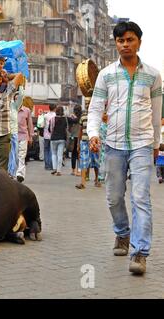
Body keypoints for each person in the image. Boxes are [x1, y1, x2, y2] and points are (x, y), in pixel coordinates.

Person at [87, 21, 162, 275]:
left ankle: (140, 252)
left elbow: (156, 112)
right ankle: (122, 232)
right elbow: (96, 107)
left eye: (130, 40)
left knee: (141, 198)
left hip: (142, 144)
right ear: (116, 43)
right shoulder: (106, 74)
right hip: (114, 145)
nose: (125, 45)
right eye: (120, 41)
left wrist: (155, 144)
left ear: (139, 41)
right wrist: (94, 133)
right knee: (114, 197)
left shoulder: (153, 75)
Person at [75, 107, 100, 189]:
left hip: (94, 141)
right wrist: (78, 143)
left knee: (96, 161)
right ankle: (83, 183)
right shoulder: (83, 117)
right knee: (83, 162)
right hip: (84, 141)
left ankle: (97, 180)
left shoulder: (97, 116)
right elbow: (80, 130)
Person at [16, 94, 34, 183]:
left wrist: (30, 137)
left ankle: (20, 174)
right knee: (14, 156)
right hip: (13, 136)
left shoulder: (27, 111)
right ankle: (12, 172)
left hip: (23, 136)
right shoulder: (11, 110)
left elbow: (30, 125)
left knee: (21, 156)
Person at [49, 106, 68, 176]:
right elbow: (66, 129)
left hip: (53, 138)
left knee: (54, 154)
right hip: (62, 139)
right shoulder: (65, 119)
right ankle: (59, 171)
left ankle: (54, 168)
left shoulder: (52, 119)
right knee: (60, 155)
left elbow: (49, 129)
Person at [43, 105, 57, 170]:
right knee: (52, 150)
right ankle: (51, 165)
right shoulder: (55, 115)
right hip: (53, 135)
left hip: (46, 135)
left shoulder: (45, 115)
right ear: (55, 108)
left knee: (46, 150)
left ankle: (46, 165)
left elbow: (43, 125)